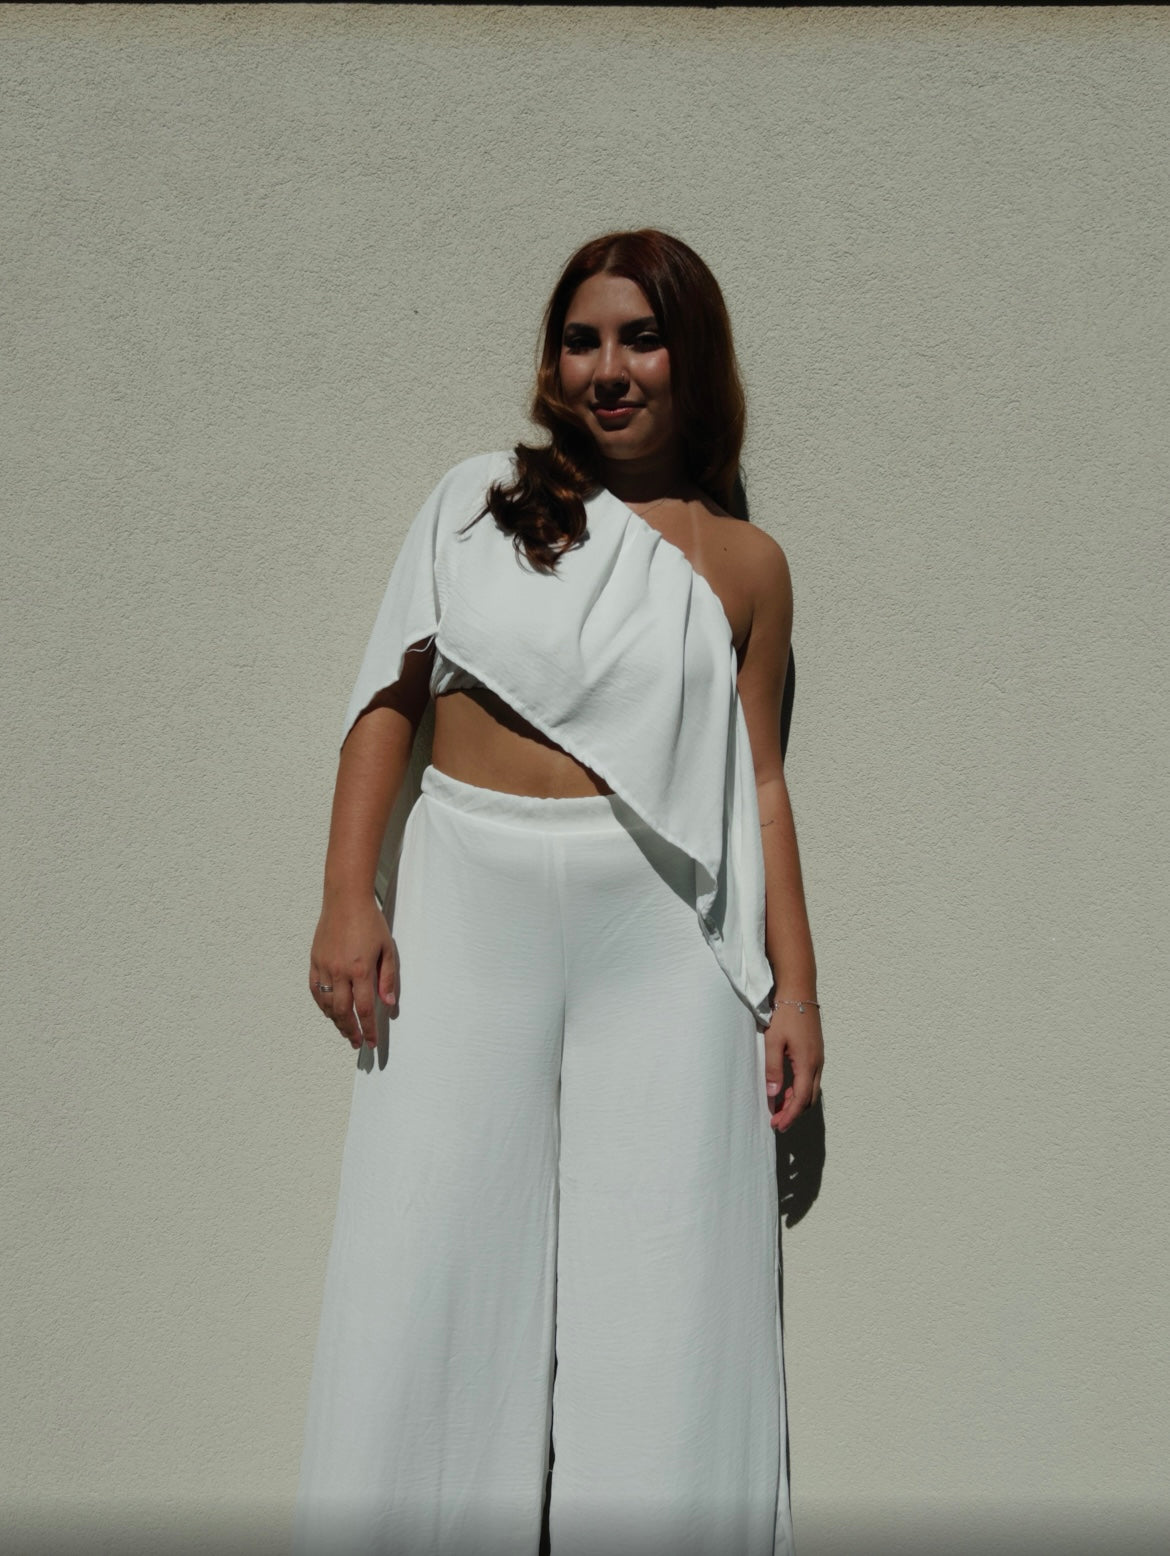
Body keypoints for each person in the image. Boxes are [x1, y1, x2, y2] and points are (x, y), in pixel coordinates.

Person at [292, 228, 824, 1556]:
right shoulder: (475, 501)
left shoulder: (748, 565)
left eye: (641, 338)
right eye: (583, 340)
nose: (609, 368)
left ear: (693, 361)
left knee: (665, 1279)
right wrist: (349, 896)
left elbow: (758, 783)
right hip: (470, 900)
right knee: (429, 1253)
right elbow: (388, 701)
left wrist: (796, 995)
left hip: (662, 929)